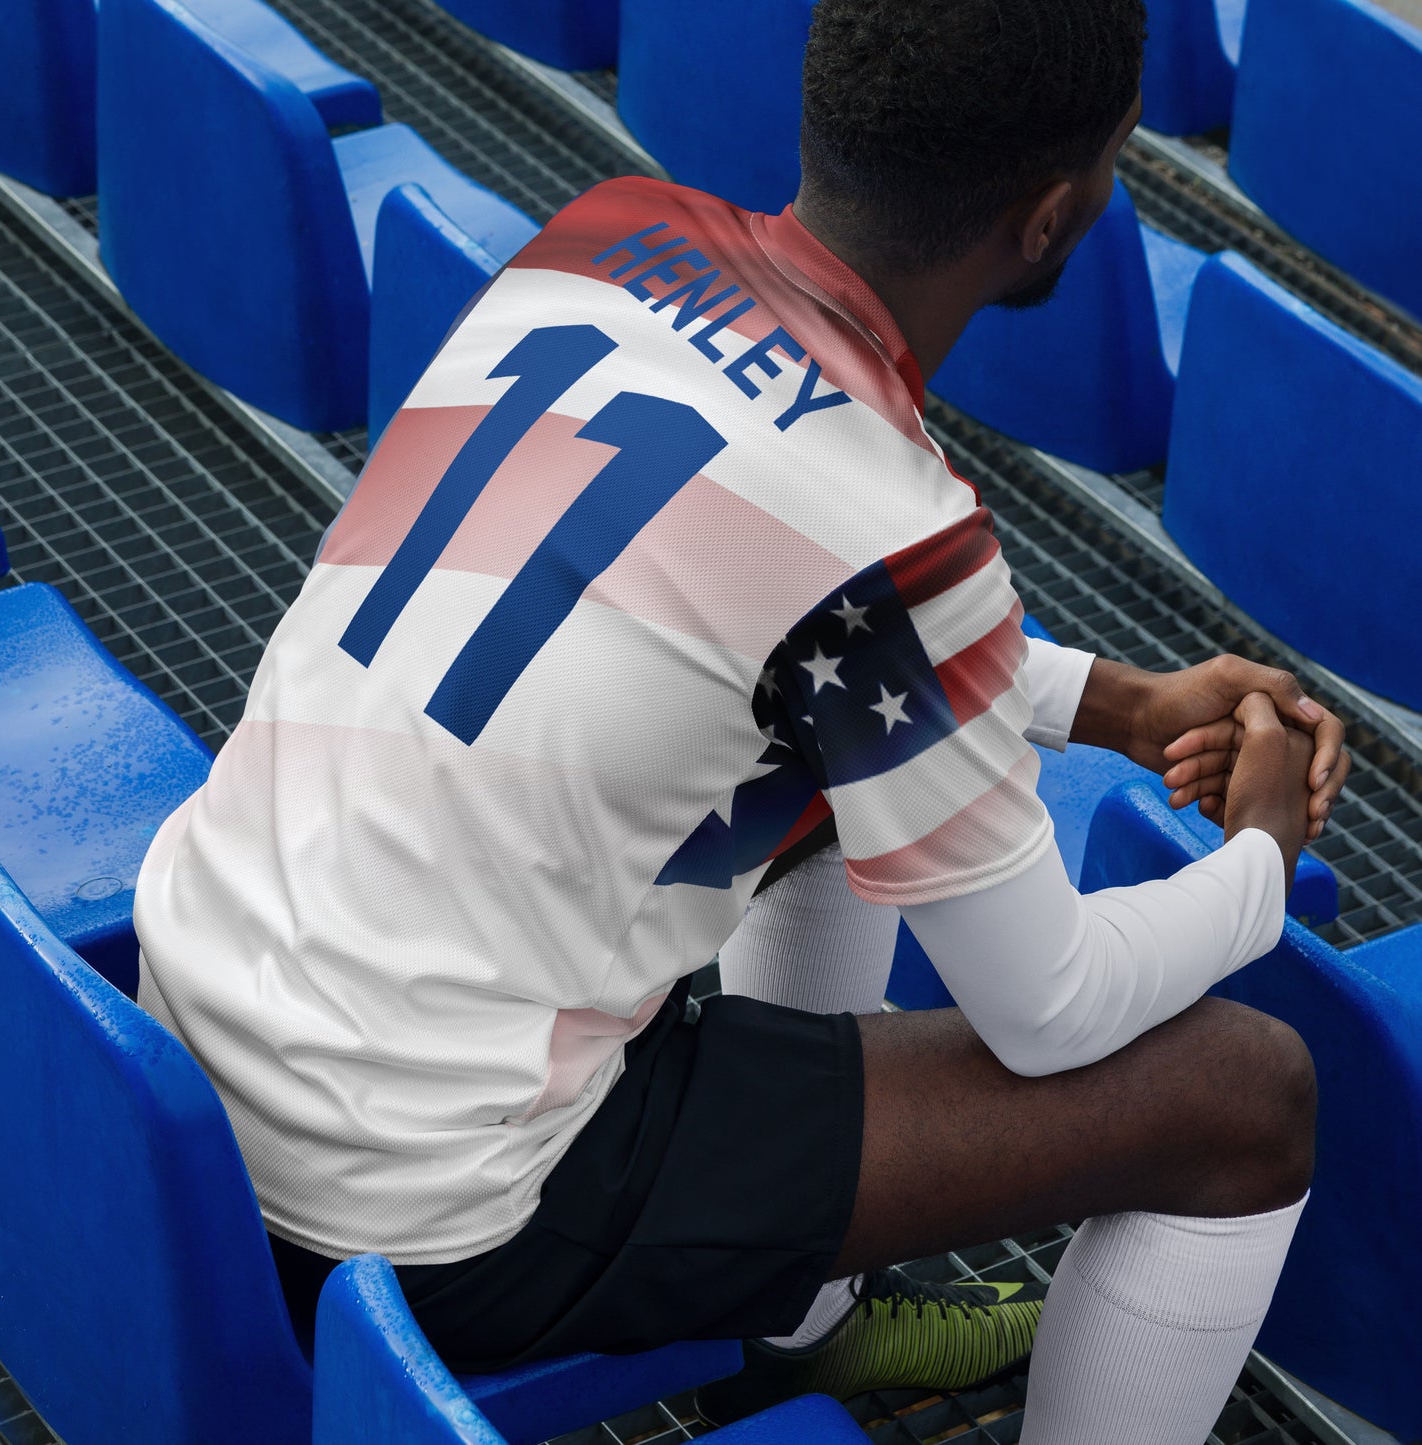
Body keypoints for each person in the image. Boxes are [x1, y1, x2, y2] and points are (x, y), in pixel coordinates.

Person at [133, 0, 1350, 1439]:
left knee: (840, 788)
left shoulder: (604, 238)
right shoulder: (892, 525)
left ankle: (804, 1335)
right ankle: (796, 1316)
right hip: (432, 1205)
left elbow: (756, 619)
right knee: (1242, 1097)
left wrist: (1109, 702)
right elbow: (1050, 1009)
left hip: (196, 1054)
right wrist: (1259, 861)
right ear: (1049, 218)